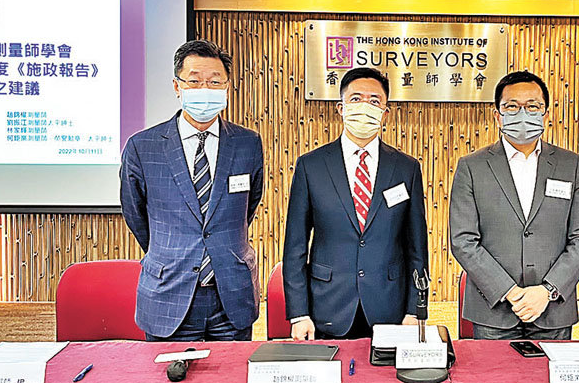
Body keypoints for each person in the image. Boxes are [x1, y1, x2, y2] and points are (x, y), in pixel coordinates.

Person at [120, 40, 264, 341]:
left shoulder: (248, 143)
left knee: (231, 373)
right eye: (195, 81)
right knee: (169, 373)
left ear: (227, 87)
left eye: (214, 82)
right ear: (177, 86)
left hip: (231, 295)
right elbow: (135, 213)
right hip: (169, 292)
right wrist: (169, 251)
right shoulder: (143, 147)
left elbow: (248, 206)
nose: (205, 89)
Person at [449, 70, 579, 340]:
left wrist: (547, 291)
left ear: (545, 114)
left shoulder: (571, 165)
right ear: (497, 115)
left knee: (549, 370)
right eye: (511, 106)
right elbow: (463, 241)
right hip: (493, 311)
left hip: (553, 309)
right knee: (495, 370)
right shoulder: (472, 166)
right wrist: (510, 292)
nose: (522, 113)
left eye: (532, 106)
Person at [283, 67, 429, 340]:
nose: (365, 107)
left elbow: (417, 247)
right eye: (356, 99)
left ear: (385, 112)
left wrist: (415, 310)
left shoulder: (406, 168)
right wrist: (299, 314)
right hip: (327, 306)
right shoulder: (311, 166)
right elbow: (295, 247)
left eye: (374, 101)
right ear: (341, 108)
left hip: (390, 307)